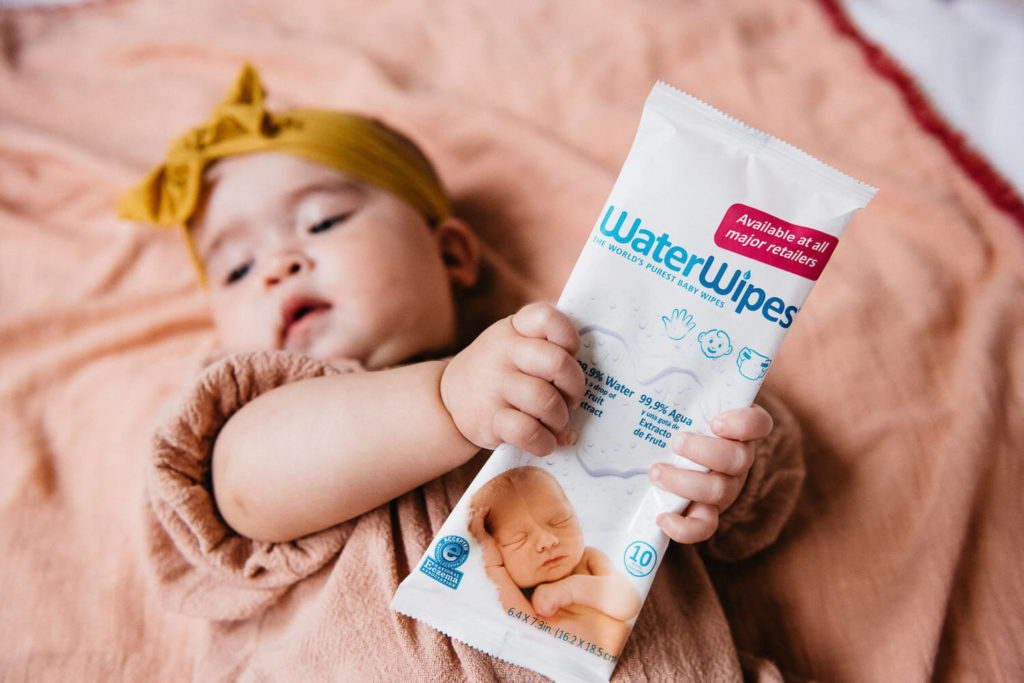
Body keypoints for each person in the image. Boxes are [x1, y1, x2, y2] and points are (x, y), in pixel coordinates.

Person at [123, 63, 805, 681]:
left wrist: (718, 471)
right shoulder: (257, 411)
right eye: (237, 268)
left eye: (323, 220)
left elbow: (749, 484)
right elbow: (247, 488)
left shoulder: (566, 362)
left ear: (451, 254)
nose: (278, 265)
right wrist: (447, 402)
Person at [469, 466, 642, 658]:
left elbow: (630, 603)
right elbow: (519, 626)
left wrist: (570, 590)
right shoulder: (516, 593)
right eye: (519, 539)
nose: (547, 541)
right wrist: (492, 563)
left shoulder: (589, 560)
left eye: (560, 521)